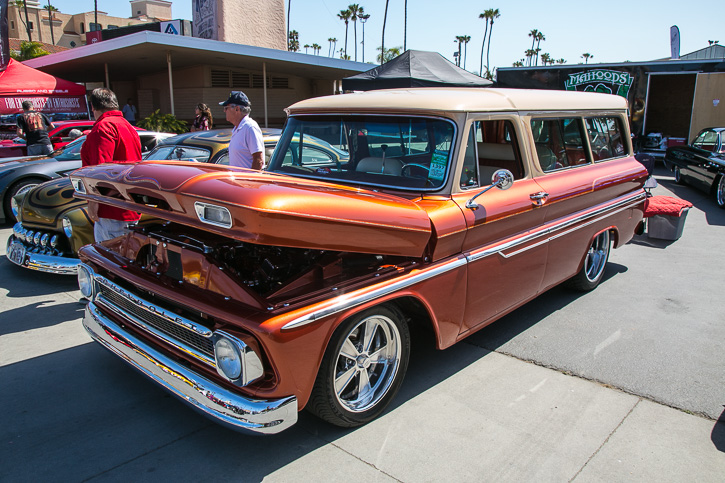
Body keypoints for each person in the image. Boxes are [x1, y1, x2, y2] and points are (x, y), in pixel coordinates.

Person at [81, 88, 142, 243]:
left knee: (111, 258)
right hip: (129, 203)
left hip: (111, 208)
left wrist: (94, 202)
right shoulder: (128, 126)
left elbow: (100, 170)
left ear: (93, 107)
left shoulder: (103, 127)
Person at [220, 91, 264, 170]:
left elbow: (259, 160)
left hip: (246, 181)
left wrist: (249, 181)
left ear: (237, 109)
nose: (224, 111)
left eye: (226, 108)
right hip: (237, 181)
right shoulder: (237, 128)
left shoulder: (250, 127)